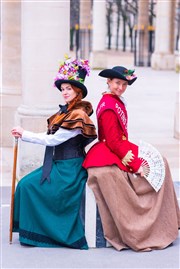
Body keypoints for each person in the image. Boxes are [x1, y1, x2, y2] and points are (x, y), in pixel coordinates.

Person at [83, 66, 180, 252]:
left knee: (162, 161)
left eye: (124, 84)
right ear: (109, 82)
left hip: (120, 145)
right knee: (160, 164)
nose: (120, 87)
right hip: (112, 148)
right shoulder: (109, 106)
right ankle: (153, 224)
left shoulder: (113, 100)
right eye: (117, 83)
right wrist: (136, 165)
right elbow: (112, 141)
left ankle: (169, 218)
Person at [11, 56, 97, 249]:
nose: (65, 92)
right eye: (63, 89)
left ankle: (42, 233)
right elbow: (50, 137)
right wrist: (23, 134)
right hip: (58, 166)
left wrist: (25, 133)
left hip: (70, 170)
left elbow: (53, 140)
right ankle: (31, 231)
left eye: (69, 88)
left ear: (78, 91)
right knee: (24, 184)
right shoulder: (65, 113)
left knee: (28, 186)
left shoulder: (78, 115)